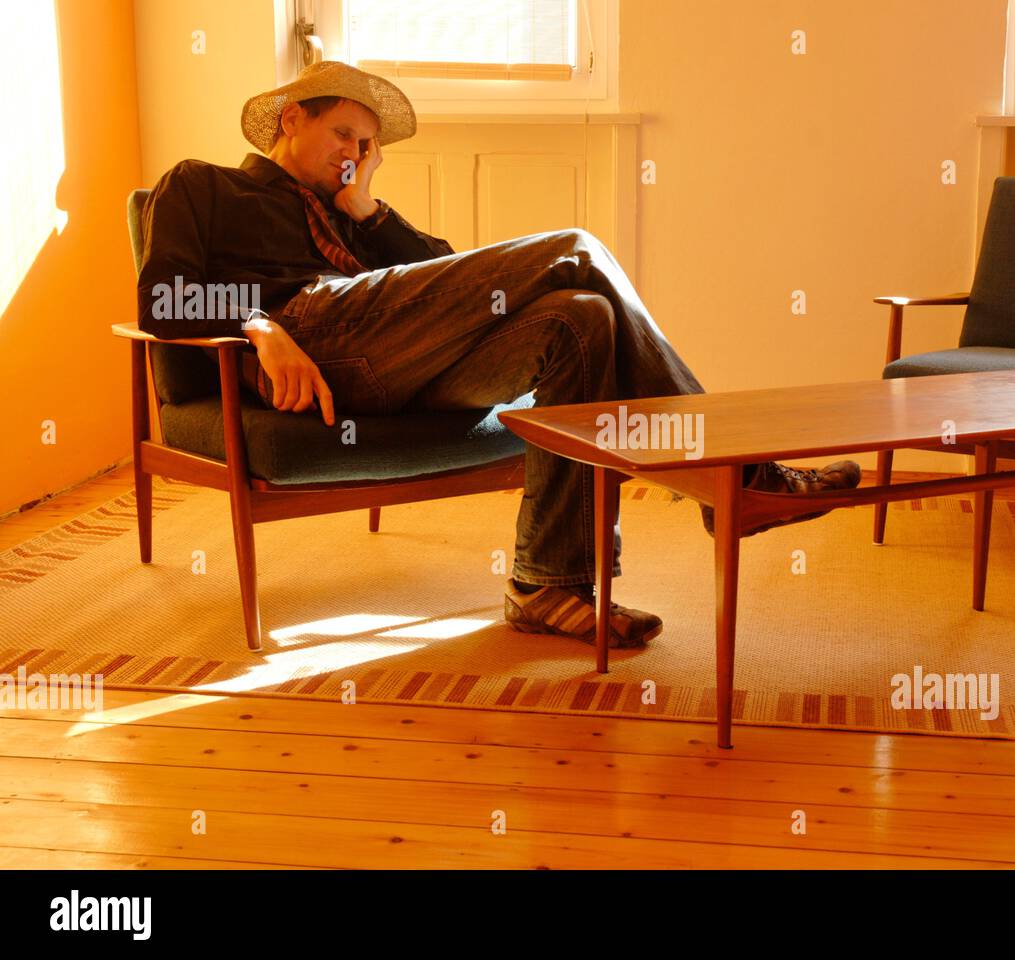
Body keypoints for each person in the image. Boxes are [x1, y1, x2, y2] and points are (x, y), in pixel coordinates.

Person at [137, 61, 860, 650]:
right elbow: (162, 299)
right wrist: (261, 325)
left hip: (389, 362)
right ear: (290, 120)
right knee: (578, 249)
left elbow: (445, 277)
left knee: (579, 319)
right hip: (309, 349)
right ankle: (738, 475)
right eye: (343, 135)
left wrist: (370, 213)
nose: (353, 157)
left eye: (366, 148)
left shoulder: (353, 212)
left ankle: (551, 584)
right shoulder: (204, 184)